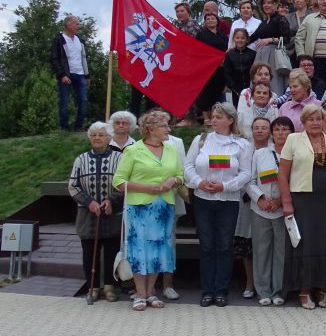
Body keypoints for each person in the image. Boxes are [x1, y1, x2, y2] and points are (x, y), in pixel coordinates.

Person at [112, 109, 184, 312]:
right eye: (165, 126)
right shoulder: (133, 150)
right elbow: (118, 181)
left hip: (163, 208)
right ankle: (140, 294)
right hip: (140, 208)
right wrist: (145, 188)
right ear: (151, 129)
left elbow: (180, 175)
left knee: (158, 250)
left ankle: (151, 292)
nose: (168, 129)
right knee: (139, 250)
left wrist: (173, 180)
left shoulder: (171, 149)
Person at [184, 102, 252, 307]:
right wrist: (199, 182)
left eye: (219, 117)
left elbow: (246, 173)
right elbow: (187, 166)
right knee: (206, 246)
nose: (214, 120)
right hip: (203, 199)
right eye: (213, 117)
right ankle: (207, 290)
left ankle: (221, 290)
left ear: (230, 120)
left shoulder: (242, 144)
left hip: (227, 200)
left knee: (224, 246)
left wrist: (225, 186)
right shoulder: (201, 140)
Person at [279, 104, 326, 310]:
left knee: (325, 243)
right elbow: (283, 174)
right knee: (304, 244)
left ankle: (323, 289)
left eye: (319, 119)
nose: (315, 122)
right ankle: (304, 290)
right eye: (311, 119)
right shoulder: (293, 140)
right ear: (303, 122)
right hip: (301, 200)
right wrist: (286, 202)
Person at [68, 122, 123, 301]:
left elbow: (124, 183)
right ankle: (92, 287)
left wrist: (112, 200)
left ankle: (109, 287)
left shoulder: (119, 158)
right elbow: (73, 186)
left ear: (109, 138)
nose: (97, 138)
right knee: (89, 252)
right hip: (87, 215)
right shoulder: (81, 159)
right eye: (94, 135)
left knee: (111, 251)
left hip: (111, 213)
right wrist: (88, 202)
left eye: (101, 135)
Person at [246, 116, 293, 306]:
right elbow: (250, 181)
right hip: (261, 209)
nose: (281, 133)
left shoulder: (295, 154)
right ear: (272, 133)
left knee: (282, 251)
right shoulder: (260, 154)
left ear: (292, 133)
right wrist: (261, 199)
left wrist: (281, 201)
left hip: (283, 210)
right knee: (262, 251)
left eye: (285, 130)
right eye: (277, 130)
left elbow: (297, 182)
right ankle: (263, 290)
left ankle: (279, 290)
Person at [51, 15, 91, 132]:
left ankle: (78, 127)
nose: (79, 26)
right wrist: (62, 74)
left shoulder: (80, 40)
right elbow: (54, 58)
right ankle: (64, 127)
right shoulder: (59, 39)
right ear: (68, 25)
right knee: (64, 101)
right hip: (66, 74)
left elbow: (84, 58)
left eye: (78, 23)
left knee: (83, 100)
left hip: (80, 74)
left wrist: (87, 75)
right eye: (76, 24)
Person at [224, 28, 256, 107]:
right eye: (237, 38)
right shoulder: (229, 54)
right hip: (235, 89)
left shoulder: (253, 54)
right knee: (238, 109)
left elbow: (255, 71)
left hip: (251, 87)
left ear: (247, 39)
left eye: (243, 38)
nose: (240, 40)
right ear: (234, 39)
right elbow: (227, 73)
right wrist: (233, 87)